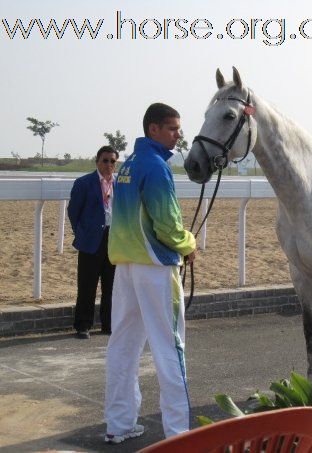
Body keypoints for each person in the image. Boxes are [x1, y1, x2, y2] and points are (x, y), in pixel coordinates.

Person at [104, 103, 196, 443]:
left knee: (123, 347)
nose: (177, 135)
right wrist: (189, 243)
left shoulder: (128, 164)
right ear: (153, 129)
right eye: (172, 128)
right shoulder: (157, 167)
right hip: (156, 269)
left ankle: (118, 424)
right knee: (170, 348)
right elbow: (169, 228)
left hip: (126, 269)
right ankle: (179, 435)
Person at [67, 145, 118, 339]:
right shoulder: (84, 183)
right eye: (105, 160)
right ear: (97, 161)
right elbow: (73, 212)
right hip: (91, 240)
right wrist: (81, 233)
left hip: (113, 239)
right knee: (87, 285)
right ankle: (83, 325)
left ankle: (108, 324)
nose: (108, 165)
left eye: (112, 161)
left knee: (111, 285)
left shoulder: (119, 184)